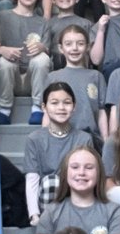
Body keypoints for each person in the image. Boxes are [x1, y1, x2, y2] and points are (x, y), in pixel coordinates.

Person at [23, 82, 93, 223]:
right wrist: (34, 214)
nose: (61, 108)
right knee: (52, 182)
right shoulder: (34, 139)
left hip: (77, 195)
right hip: (48, 203)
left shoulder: (84, 138)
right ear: (44, 107)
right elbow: (32, 179)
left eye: (67, 103)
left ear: (74, 107)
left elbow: (89, 176)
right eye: (54, 103)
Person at [0, 0, 53, 125]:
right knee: (4, 62)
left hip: (32, 78)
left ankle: (37, 107)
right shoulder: (1, 17)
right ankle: (4, 109)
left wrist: (42, 47)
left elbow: (47, 51)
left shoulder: (43, 22)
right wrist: (2, 50)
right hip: (10, 76)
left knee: (43, 59)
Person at [48, 24, 107, 142]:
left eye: (80, 44)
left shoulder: (96, 76)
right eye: (68, 44)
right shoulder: (53, 77)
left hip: (91, 139)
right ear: (61, 48)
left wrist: (105, 139)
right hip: (61, 138)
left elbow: (101, 112)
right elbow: (47, 113)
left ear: (88, 47)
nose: (74, 48)